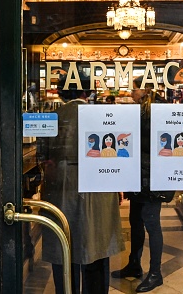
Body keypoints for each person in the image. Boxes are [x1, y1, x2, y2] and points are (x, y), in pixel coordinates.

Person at [38, 75, 124, 294]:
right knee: (97, 243)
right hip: (98, 184)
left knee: (64, 245)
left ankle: (67, 289)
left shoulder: (52, 117)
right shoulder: (103, 117)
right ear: (87, 92)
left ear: (61, 92)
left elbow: (43, 157)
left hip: (61, 188)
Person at [111, 77, 175, 293]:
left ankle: (156, 274)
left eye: (134, 89)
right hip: (138, 175)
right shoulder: (142, 110)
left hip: (152, 177)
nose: (131, 93)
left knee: (151, 223)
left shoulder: (156, 111)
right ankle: (134, 264)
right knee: (135, 221)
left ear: (145, 90)